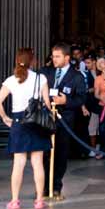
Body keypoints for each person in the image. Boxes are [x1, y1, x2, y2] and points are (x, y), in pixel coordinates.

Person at [0, 48, 52, 209]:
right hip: (36, 122)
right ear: (33, 61)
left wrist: (5, 118)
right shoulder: (41, 78)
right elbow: (47, 103)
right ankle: (39, 200)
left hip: (18, 121)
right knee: (37, 163)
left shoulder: (11, 80)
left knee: (18, 163)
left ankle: (15, 200)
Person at [41, 43, 87, 197]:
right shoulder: (45, 72)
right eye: (53, 56)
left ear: (67, 58)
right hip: (45, 118)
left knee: (60, 153)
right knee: (44, 153)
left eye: (58, 56)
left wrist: (66, 101)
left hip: (65, 120)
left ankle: (56, 185)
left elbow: (81, 98)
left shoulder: (77, 76)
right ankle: (44, 185)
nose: (54, 59)